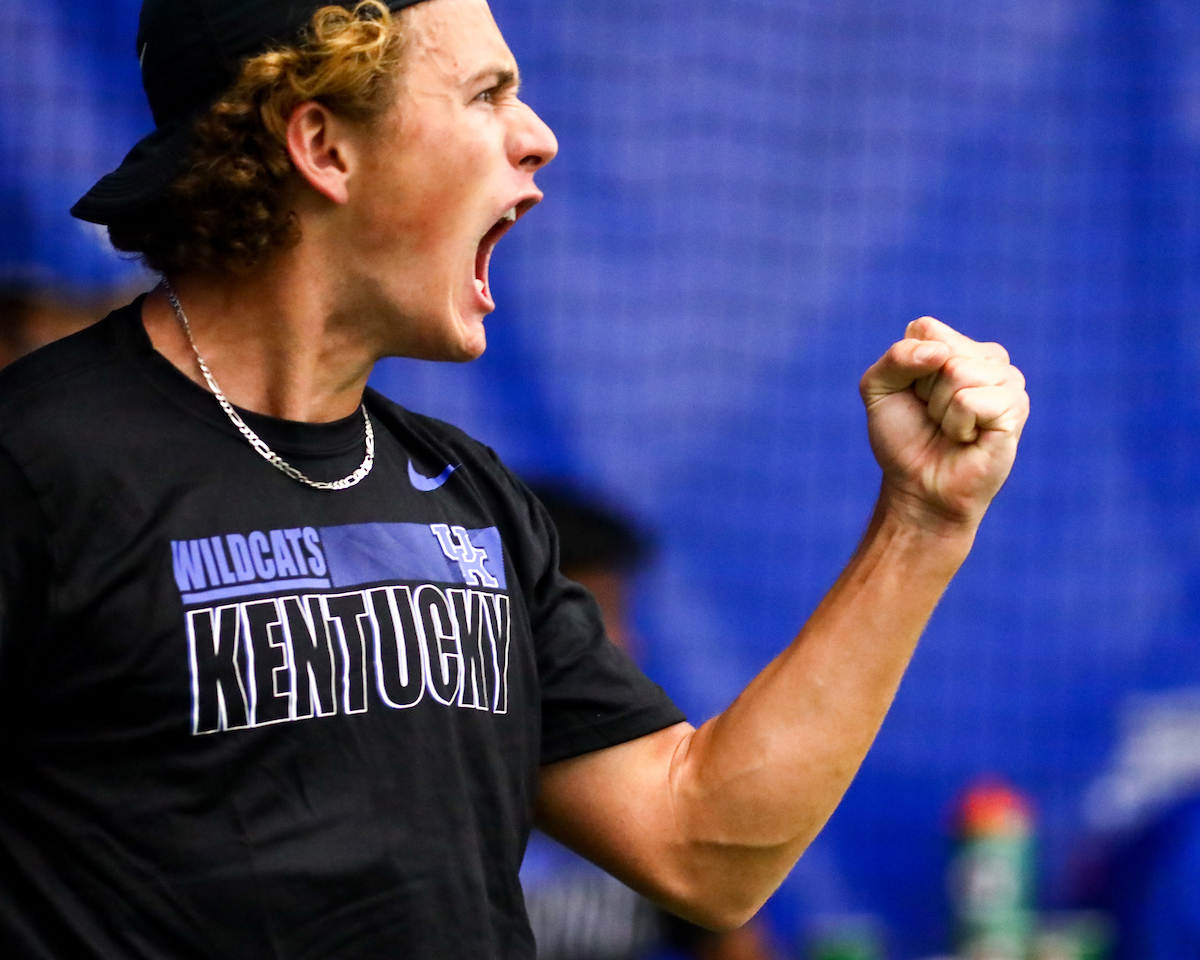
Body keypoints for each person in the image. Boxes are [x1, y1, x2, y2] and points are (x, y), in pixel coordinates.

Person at [0, 0, 1029, 957]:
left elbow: (702, 847)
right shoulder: (38, 461)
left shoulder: (472, 498)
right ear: (323, 146)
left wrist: (925, 518)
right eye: (486, 95)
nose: (537, 135)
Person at [519, 484, 780, 960]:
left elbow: (737, 946)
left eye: (618, 615)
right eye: (594, 618)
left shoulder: (641, 795)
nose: (624, 645)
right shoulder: (440, 802)